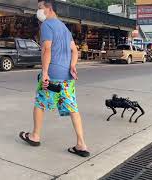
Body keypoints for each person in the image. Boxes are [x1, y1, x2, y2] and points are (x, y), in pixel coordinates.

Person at [19, 0, 90, 158]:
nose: (38, 11)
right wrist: (72, 66)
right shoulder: (64, 27)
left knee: (40, 103)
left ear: (48, 9)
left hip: (53, 76)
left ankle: (35, 136)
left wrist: (44, 72)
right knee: (73, 108)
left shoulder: (47, 25)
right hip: (67, 77)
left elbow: (46, 49)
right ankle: (81, 144)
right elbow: (75, 50)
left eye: (40, 8)